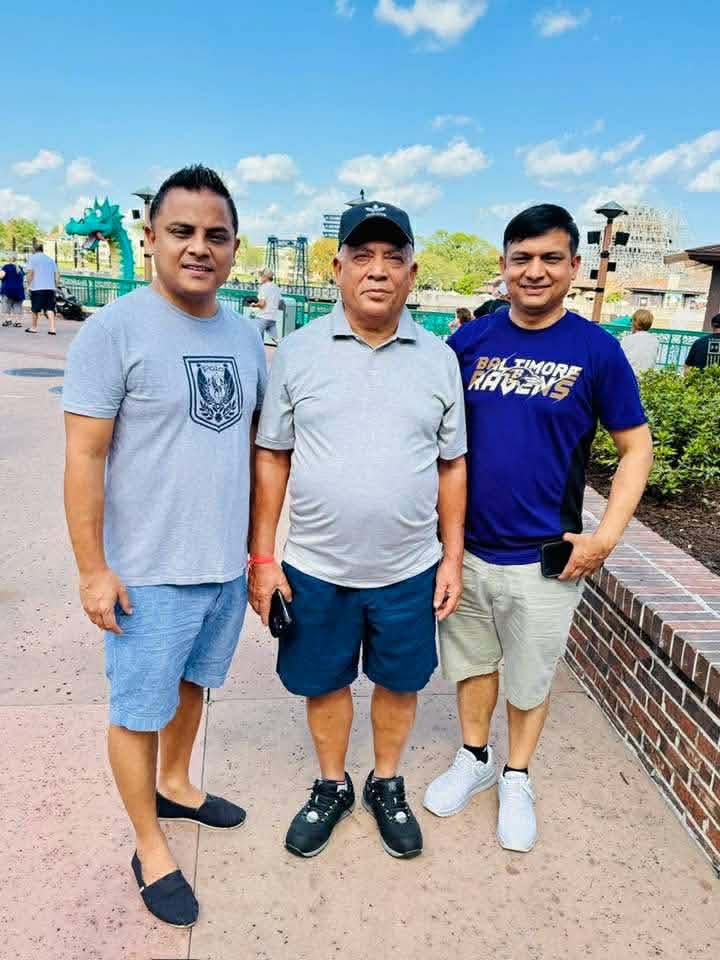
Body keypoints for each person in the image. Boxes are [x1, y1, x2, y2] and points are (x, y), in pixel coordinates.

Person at [63, 166, 267, 928]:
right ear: (150, 237)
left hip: (220, 566)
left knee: (192, 687)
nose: (199, 247)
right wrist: (93, 569)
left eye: (216, 235)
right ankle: (149, 844)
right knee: (137, 709)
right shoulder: (114, 330)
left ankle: (176, 784)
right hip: (146, 572)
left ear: (235, 247)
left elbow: (253, 447)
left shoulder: (245, 335)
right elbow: (84, 456)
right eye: (182, 231)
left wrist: (256, 556)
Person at [424, 203, 653, 853]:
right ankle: (475, 758)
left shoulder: (597, 351)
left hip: (547, 558)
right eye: (521, 258)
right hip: (467, 551)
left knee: (529, 678)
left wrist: (605, 537)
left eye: (550, 258)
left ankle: (517, 776)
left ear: (574, 266)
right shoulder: (467, 344)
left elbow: (636, 447)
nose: (534, 270)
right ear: (503, 266)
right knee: (473, 665)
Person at [249, 200, 467, 861]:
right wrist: (264, 557)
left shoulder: (439, 359)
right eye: (363, 256)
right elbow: (273, 454)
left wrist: (451, 557)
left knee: (401, 683)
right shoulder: (298, 352)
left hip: (409, 568)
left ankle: (386, 782)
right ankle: (331, 784)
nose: (378, 270)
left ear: (412, 273)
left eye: (393, 258)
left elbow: (452, 465)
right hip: (317, 567)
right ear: (338, 268)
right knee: (324, 682)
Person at [25, 242, 59, 335]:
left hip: (37, 288)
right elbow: (57, 274)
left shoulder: (32, 259)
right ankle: (52, 329)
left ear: (34, 250)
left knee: (35, 309)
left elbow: (30, 273)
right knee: (50, 308)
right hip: (50, 288)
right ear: (42, 249)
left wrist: (28, 285)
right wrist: (55, 286)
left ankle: (33, 327)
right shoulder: (50, 260)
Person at [621, 308, 660, 375]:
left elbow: (619, 360)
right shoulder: (655, 341)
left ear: (634, 323)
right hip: (647, 377)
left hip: (629, 377)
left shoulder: (627, 339)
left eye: (632, 320)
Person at [255, 267, 282, 343]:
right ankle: (285, 348)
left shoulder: (264, 287)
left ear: (265, 277)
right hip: (272, 318)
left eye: (261, 276)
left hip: (262, 317)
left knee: (256, 337)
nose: (260, 277)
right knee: (276, 340)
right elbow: (280, 302)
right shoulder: (276, 287)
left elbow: (262, 304)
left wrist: (254, 305)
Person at [0, 255, 25, 326]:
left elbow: (1, 276)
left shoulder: (6, 267)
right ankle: (17, 322)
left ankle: (8, 320)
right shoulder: (19, 268)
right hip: (19, 290)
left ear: (8, 259)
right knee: (18, 305)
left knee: (6, 304)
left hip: (7, 289)